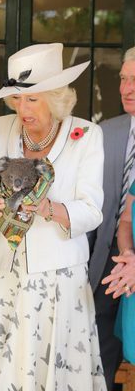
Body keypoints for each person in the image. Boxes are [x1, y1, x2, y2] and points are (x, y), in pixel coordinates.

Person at [0, 43, 107, 390]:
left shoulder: (86, 136)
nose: (22, 109)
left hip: (59, 283)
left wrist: (49, 209)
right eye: (17, 99)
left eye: (32, 99)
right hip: (0, 280)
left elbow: (92, 210)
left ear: (55, 97)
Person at [88, 45, 135, 390]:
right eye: (123, 79)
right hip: (107, 263)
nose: (126, 89)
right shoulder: (103, 133)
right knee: (97, 362)